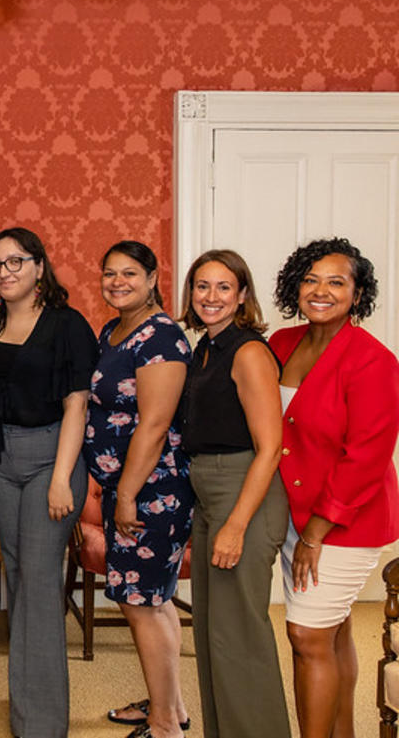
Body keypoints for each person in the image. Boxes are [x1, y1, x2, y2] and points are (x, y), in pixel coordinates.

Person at [0, 228, 96, 738]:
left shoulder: (67, 326)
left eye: (16, 261)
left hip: (50, 461)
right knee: (19, 582)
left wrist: (62, 478)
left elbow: (76, 404)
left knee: (40, 587)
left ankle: (41, 727)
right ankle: (25, 712)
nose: (5, 272)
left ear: (40, 266)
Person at [269, 237, 399, 738]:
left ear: (358, 292)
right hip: (293, 514)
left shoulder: (373, 361)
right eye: (310, 279)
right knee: (333, 631)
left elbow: (366, 457)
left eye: (336, 282)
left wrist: (315, 533)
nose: (320, 291)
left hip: (345, 521)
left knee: (306, 634)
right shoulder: (282, 344)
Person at [178, 249, 290, 737]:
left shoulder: (248, 351)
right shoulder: (206, 347)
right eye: (202, 286)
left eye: (224, 287)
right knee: (211, 632)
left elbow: (271, 448)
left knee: (240, 636)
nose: (211, 297)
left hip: (244, 491)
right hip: (209, 491)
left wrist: (236, 525)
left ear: (242, 295)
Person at [84, 241, 193, 738]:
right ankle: (171, 703)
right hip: (124, 487)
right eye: (109, 273)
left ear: (153, 277)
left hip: (152, 490)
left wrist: (126, 494)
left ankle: (165, 724)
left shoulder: (162, 337)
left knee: (141, 604)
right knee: (155, 600)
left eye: (130, 273)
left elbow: (154, 424)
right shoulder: (114, 329)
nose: (117, 282)